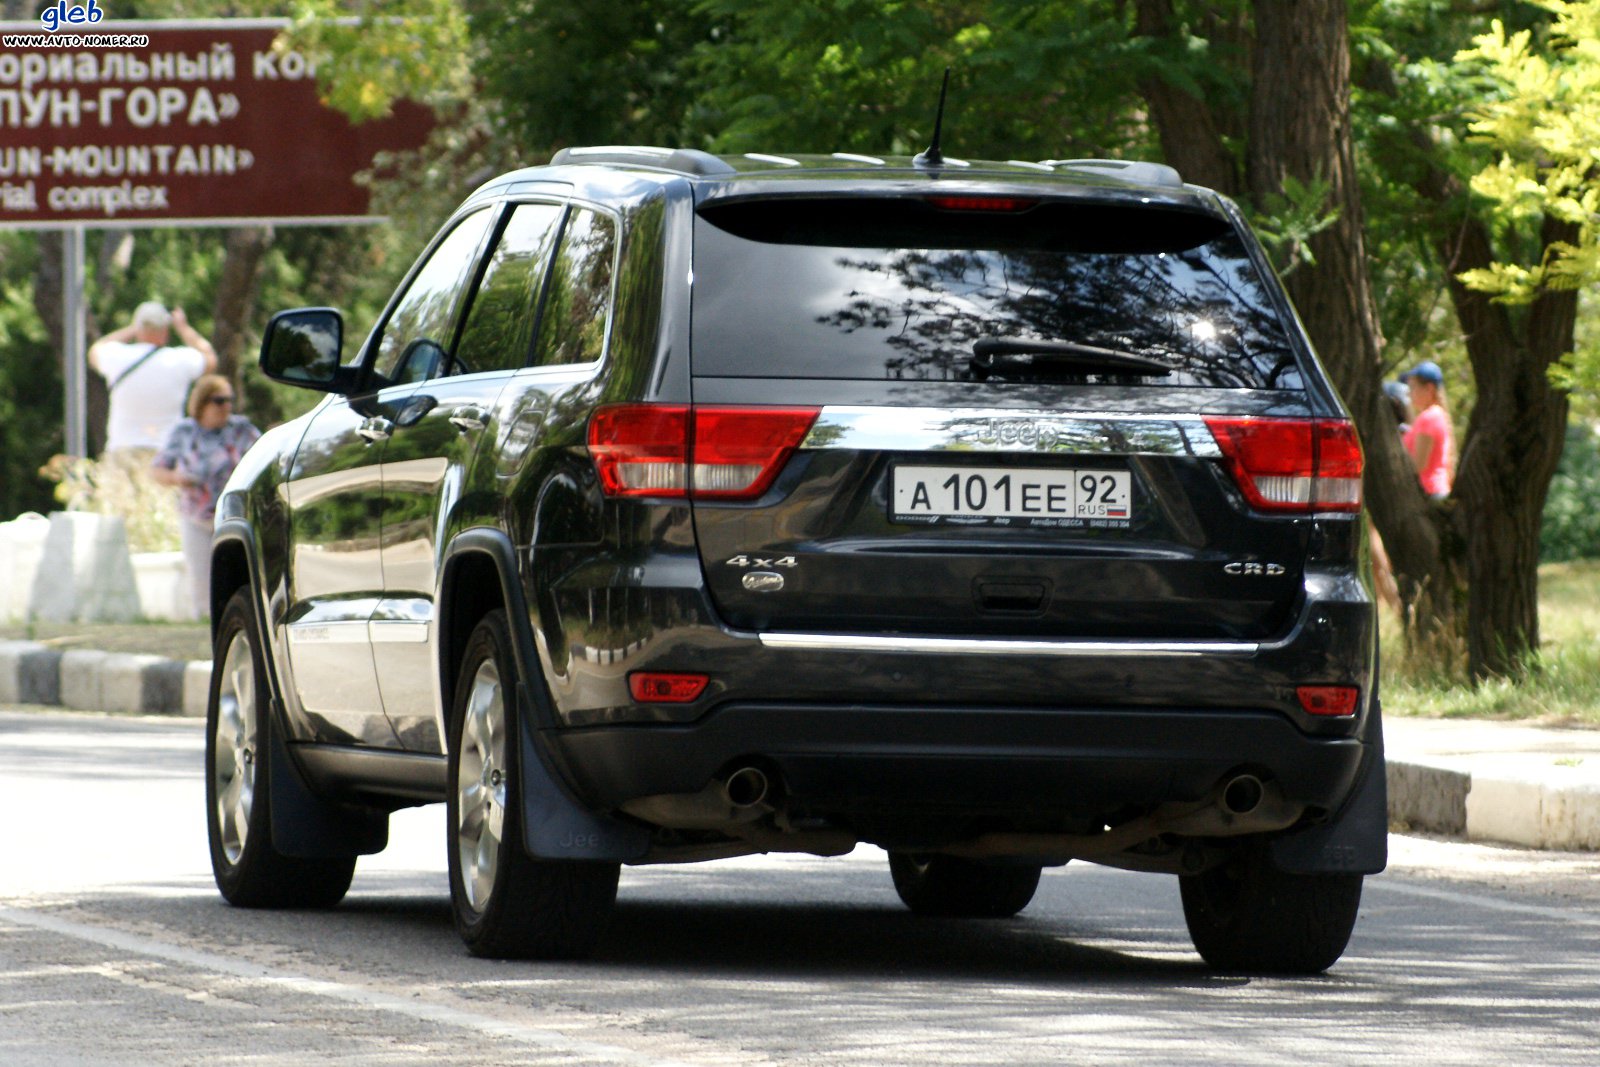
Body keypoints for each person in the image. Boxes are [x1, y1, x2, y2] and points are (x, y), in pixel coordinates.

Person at [150, 375, 260, 619]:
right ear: (202, 403)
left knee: (239, 572)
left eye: (229, 400)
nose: (226, 407)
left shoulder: (241, 429)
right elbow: (157, 470)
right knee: (201, 577)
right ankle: (207, 624)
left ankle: (241, 620)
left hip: (234, 514)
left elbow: (262, 459)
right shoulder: (185, 431)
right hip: (196, 515)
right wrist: (177, 478)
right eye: (219, 401)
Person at [88, 302, 218, 470]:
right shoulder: (178, 360)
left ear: (139, 328)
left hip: (123, 451)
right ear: (165, 331)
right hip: (166, 453)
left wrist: (132, 329)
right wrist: (183, 328)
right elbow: (209, 358)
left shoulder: (118, 357)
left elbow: (95, 350)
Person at [1402, 360, 1455, 500]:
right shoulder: (1435, 415)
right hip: (1433, 491)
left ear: (1429, 389)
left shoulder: (1429, 418)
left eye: (1413, 387)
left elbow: (1419, 464)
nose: (1409, 392)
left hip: (1429, 492)